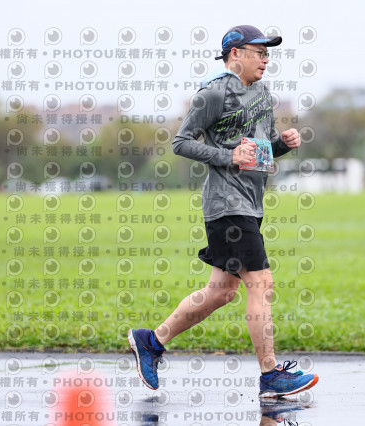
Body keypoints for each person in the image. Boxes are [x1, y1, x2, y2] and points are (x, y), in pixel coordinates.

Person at [128, 25, 318, 398]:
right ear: (235, 54)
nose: (266, 59)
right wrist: (228, 156)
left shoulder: (263, 94)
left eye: (267, 53)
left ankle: (151, 341)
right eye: (259, 52)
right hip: (227, 205)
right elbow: (181, 142)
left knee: (222, 291)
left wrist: (281, 144)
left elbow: (257, 151)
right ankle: (270, 374)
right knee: (261, 284)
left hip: (251, 204)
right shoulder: (213, 93)